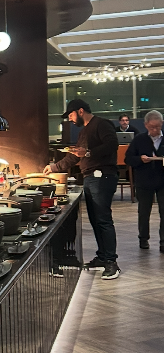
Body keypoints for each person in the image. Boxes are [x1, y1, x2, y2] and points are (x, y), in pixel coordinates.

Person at [44, 98, 120, 280]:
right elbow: (74, 157)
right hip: (90, 178)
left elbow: (112, 145)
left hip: (103, 176)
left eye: (70, 115)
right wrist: (54, 167)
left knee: (103, 219)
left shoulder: (101, 124)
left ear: (79, 111)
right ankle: (102, 257)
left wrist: (87, 153)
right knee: (96, 220)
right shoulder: (84, 131)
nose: (69, 119)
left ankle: (112, 262)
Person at [124, 109, 164, 250]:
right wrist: (140, 159)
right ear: (146, 125)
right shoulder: (139, 139)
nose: (155, 130)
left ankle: (163, 242)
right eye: (152, 127)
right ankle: (143, 239)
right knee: (144, 211)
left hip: (162, 181)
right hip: (144, 181)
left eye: (158, 127)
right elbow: (128, 159)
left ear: (162, 124)